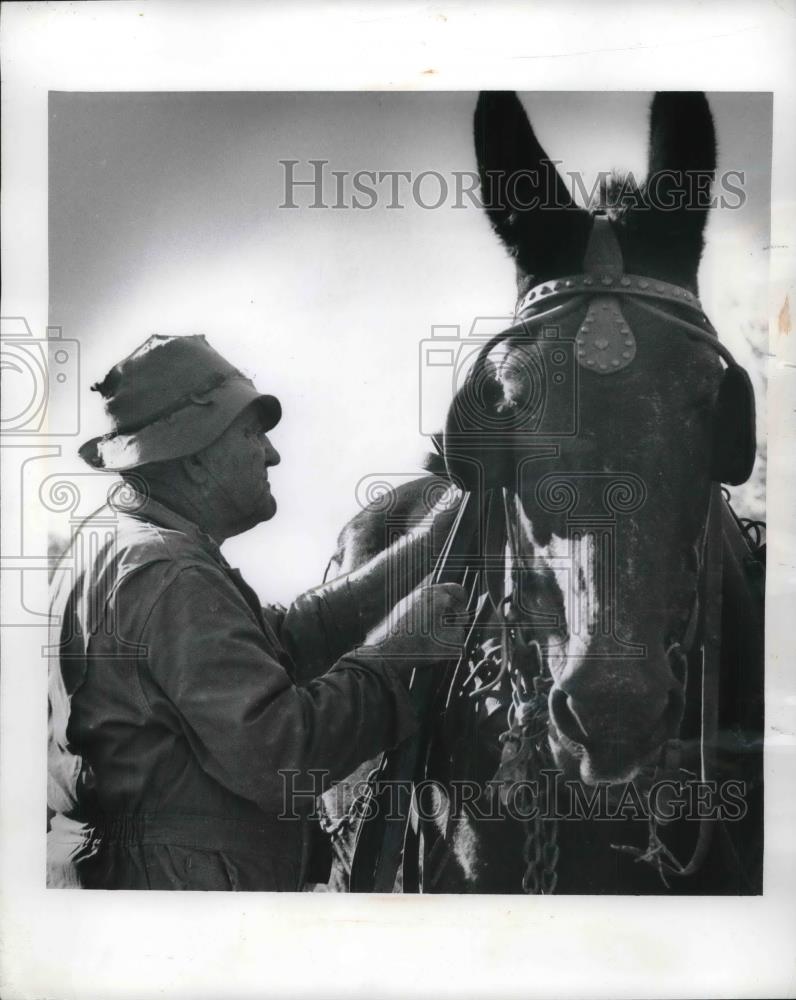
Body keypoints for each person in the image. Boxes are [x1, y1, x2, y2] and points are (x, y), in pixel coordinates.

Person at [48, 333, 466, 891]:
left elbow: (278, 640)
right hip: (178, 905)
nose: (271, 454)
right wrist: (395, 653)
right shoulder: (172, 574)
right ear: (196, 458)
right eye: (252, 434)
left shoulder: (122, 542)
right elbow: (283, 758)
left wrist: (437, 534)